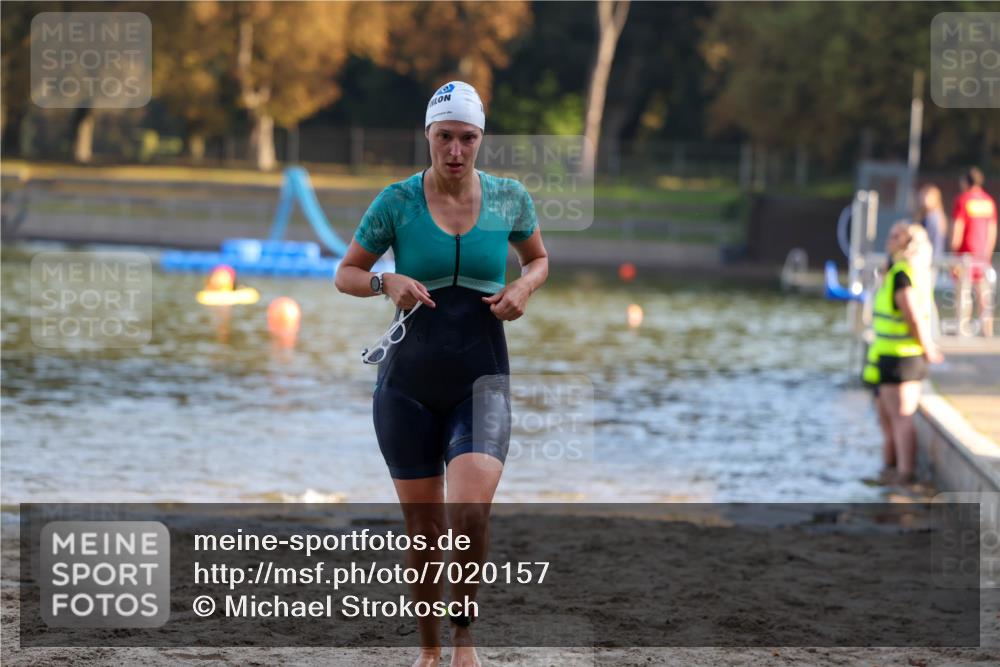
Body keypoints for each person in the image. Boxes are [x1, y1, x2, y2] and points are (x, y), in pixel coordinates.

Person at [334, 81, 548, 667]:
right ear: (428, 136)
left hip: (482, 378)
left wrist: (523, 288)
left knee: (472, 512)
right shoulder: (397, 202)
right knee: (426, 533)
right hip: (407, 387)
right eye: (445, 137)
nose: (456, 150)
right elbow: (346, 273)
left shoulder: (509, 199)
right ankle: (429, 651)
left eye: (468, 139)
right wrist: (386, 281)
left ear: (482, 140)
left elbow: (538, 258)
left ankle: (463, 642)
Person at [873, 222, 944, 485]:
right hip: (891, 356)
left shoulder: (903, 276)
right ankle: (892, 473)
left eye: (896, 237)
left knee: (901, 419)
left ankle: (903, 476)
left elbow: (913, 316)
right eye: (889, 235)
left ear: (908, 244)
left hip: (903, 358)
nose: (889, 241)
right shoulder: (896, 272)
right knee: (891, 420)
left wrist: (928, 348)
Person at [950, 167, 997, 336]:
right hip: (983, 256)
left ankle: (962, 328)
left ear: (965, 182)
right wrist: (988, 253)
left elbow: (958, 227)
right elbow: (992, 229)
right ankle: (987, 330)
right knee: (984, 295)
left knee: (963, 294)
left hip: (965, 255)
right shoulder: (988, 202)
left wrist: (953, 251)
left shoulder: (963, 200)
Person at [915, 184, 947, 334]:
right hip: (928, 263)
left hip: (928, 263)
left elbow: (932, 243)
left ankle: (932, 331)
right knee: (927, 296)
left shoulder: (933, 218)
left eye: (927, 196)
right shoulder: (931, 217)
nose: (923, 199)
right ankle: (932, 330)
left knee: (926, 297)